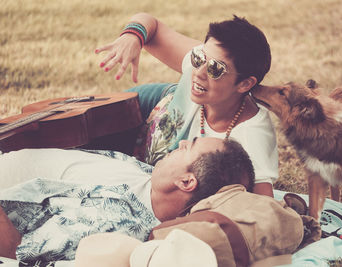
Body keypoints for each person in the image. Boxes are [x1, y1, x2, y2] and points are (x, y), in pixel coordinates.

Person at [95, 13, 279, 197]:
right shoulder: (205, 60)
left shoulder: (251, 134)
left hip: (147, 170)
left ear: (245, 84)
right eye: (198, 57)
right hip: (136, 112)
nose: (198, 72)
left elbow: (263, 205)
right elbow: (151, 26)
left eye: (215, 69)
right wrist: (133, 36)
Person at [0, 137, 255, 262]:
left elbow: (16, 251)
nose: (182, 141)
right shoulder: (149, 176)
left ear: (186, 182)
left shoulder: (118, 223)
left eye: (189, 147)